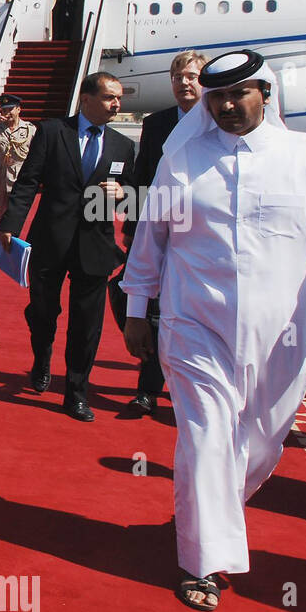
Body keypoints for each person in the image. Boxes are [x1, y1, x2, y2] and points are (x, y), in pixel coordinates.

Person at [120, 49, 306, 612]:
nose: (225, 105)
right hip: (195, 325)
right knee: (206, 436)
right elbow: (152, 241)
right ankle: (204, 562)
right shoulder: (183, 161)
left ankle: (208, 509)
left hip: (286, 335)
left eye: (238, 94)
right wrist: (136, 310)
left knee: (262, 441)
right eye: (216, 96)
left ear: (264, 95)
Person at [0, 72, 136, 422]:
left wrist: (123, 195)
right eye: (109, 97)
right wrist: (11, 224)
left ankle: (75, 391)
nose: (116, 104)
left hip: (96, 245)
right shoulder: (54, 132)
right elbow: (28, 180)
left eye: (119, 98)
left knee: (87, 323)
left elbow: (134, 199)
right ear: (86, 99)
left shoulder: (122, 145)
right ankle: (41, 358)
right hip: (51, 240)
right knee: (43, 312)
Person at [119, 49, 207, 417]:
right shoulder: (156, 124)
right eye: (176, 77)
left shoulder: (218, 119)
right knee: (153, 311)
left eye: (191, 76)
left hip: (204, 236)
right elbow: (141, 180)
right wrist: (133, 229)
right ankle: (147, 390)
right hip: (164, 231)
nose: (183, 83)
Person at [0, 93, 34, 223]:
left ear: (18, 109)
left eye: (10, 109)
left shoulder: (29, 129)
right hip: (0, 177)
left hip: (19, 176)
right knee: (0, 214)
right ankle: (1, 242)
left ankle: (15, 241)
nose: (7, 112)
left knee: (17, 214)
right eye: (4, 110)